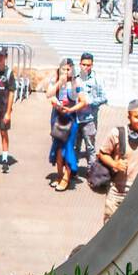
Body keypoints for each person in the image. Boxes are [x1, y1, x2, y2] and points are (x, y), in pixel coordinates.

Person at [98, 98, 138, 223]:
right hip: (117, 195)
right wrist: (114, 163)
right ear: (129, 117)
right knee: (110, 233)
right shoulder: (117, 133)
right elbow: (102, 153)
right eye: (137, 117)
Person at [45, 58, 83, 192]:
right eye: (63, 69)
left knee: (67, 149)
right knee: (58, 149)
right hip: (57, 118)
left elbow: (84, 101)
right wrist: (58, 84)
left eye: (68, 69)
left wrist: (71, 109)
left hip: (70, 119)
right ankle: (59, 175)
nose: (66, 72)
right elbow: (48, 94)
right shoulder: (56, 80)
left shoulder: (76, 82)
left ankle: (67, 177)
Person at [73, 51, 106, 169]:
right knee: (75, 146)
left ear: (92, 65)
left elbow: (104, 98)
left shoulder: (97, 79)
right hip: (75, 118)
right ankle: (72, 170)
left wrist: (90, 102)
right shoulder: (74, 78)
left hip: (90, 119)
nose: (85, 67)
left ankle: (91, 171)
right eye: (83, 64)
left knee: (90, 147)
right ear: (79, 64)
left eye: (88, 65)